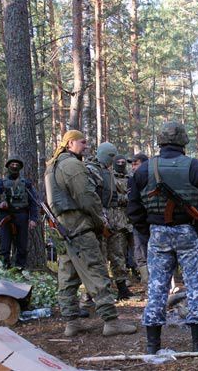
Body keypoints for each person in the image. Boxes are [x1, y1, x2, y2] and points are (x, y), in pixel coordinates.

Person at [127, 122, 198, 354]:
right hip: (188, 233)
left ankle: (152, 344)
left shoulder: (144, 169)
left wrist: (148, 232)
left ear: (160, 141)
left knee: (157, 287)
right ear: (183, 142)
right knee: (195, 286)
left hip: (158, 234)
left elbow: (134, 208)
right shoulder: (196, 168)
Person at [45, 130, 137, 337]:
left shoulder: (52, 166)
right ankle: (111, 321)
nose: (86, 146)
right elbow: (88, 198)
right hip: (79, 227)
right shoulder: (72, 165)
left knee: (67, 277)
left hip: (63, 227)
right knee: (97, 271)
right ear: (70, 144)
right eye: (82, 142)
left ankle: (72, 323)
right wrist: (99, 221)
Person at [86, 143, 133, 300]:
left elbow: (112, 196)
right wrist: (100, 218)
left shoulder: (108, 172)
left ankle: (122, 288)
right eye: (112, 158)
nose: (115, 162)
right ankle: (95, 293)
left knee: (118, 254)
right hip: (99, 220)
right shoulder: (91, 170)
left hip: (115, 221)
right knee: (99, 256)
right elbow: (91, 197)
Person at [0, 158, 38, 268]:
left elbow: (33, 202)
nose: (14, 166)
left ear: (20, 168)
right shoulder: (0, 183)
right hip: (5, 216)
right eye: (12, 164)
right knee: (4, 245)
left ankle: (19, 269)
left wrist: (33, 219)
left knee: (22, 246)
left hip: (22, 215)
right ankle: (5, 268)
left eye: (17, 164)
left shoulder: (26, 183)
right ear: (8, 166)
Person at [112, 154, 136, 281]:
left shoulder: (131, 177)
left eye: (123, 162)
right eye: (118, 162)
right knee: (119, 252)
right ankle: (122, 280)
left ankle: (140, 275)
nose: (121, 164)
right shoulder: (110, 178)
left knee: (137, 251)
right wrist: (129, 198)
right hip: (117, 220)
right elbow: (113, 197)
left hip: (132, 218)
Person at [128, 153, 149, 284]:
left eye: (136, 163)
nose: (133, 167)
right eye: (132, 164)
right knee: (139, 253)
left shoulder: (152, 177)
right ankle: (147, 281)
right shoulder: (132, 179)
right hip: (138, 223)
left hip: (151, 222)